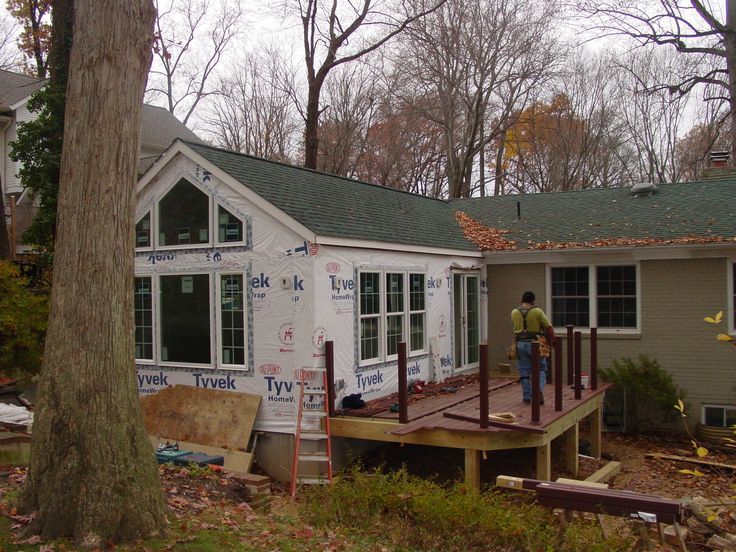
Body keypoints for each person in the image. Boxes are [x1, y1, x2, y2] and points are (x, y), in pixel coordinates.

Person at [511, 291, 554, 404]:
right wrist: (551, 342)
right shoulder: (537, 311)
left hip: (521, 343)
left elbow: (515, 329)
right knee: (541, 367)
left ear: (522, 300)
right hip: (536, 343)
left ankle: (526, 396)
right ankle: (537, 391)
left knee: (524, 371)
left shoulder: (514, 312)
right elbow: (549, 327)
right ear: (533, 301)